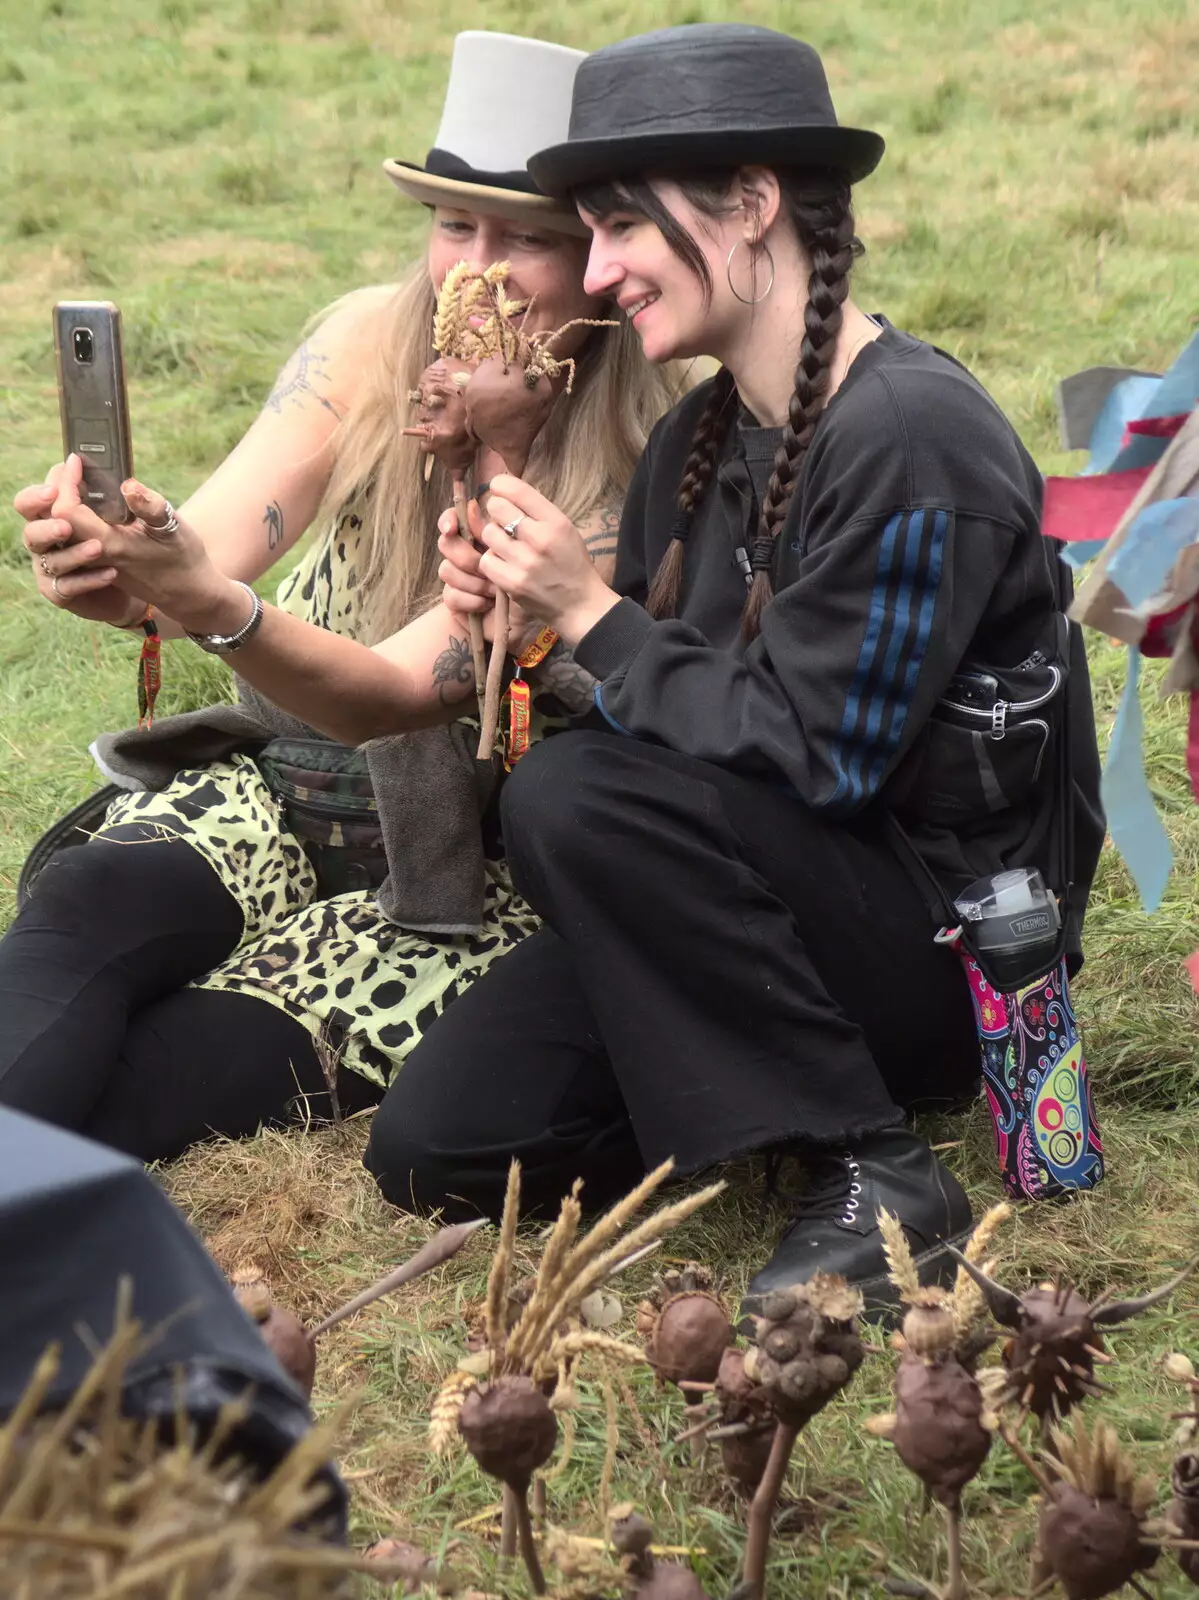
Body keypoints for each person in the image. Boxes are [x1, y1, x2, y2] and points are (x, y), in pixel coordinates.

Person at [45, 24, 1104, 1300]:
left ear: (753, 204)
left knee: (575, 799)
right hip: (748, 911)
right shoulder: (702, 445)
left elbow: (824, 761)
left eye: (616, 229)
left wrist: (588, 616)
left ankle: (875, 1166)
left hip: (936, 939)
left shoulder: (909, 437)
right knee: (445, 1141)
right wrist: (518, 639)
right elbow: (667, 737)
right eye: (584, 232)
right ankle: (748, 1086)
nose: (598, 272)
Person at [1, 31, 681, 1163]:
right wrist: (117, 566)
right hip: (274, 793)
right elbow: (202, 555)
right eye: (454, 226)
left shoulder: (636, 467)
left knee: (168, 1072)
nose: (477, 271)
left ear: (603, 261)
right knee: (84, 913)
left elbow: (385, 695)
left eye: (528, 239)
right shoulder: (367, 339)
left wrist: (207, 603)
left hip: (454, 880)